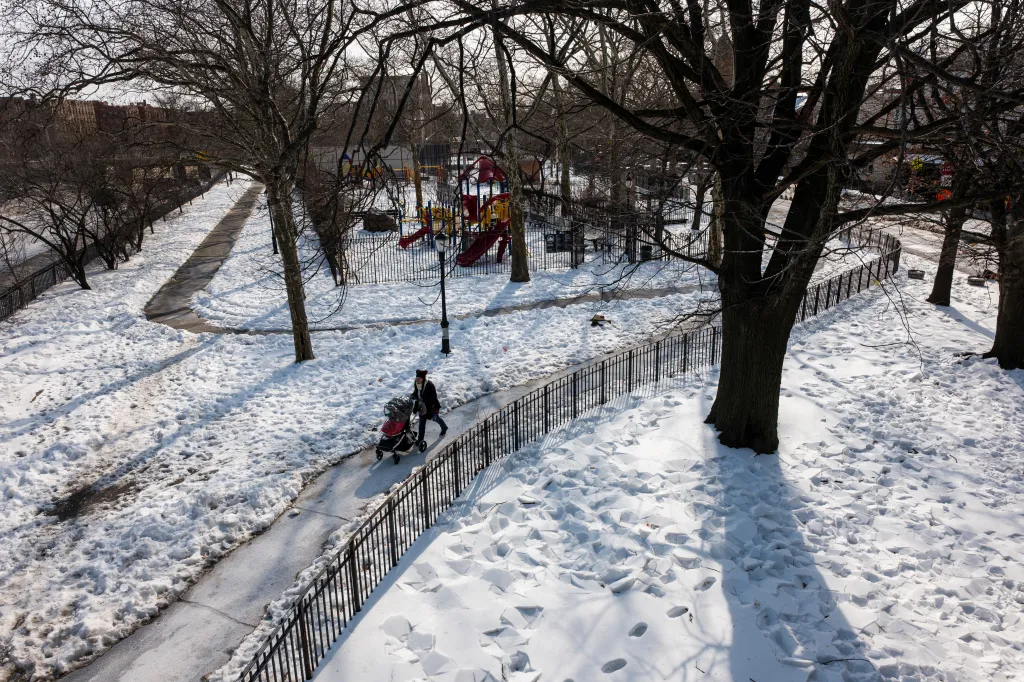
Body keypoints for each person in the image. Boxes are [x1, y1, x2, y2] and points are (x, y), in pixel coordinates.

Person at [411, 369, 447, 442]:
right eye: (416, 378)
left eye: (419, 379)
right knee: (422, 423)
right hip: (422, 407)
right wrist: (412, 396)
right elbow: (416, 392)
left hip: (431, 406)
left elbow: (433, 398)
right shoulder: (416, 383)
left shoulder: (430, 385)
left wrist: (430, 409)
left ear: (423, 379)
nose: (417, 380)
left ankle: (444, 427)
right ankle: (420, 440)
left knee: (436, 419)